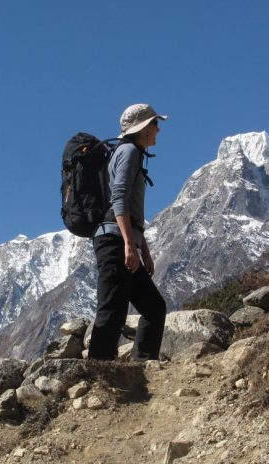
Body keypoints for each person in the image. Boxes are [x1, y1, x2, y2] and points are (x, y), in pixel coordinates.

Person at [88, 104, 168, 361]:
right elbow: (119, 197)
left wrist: (142, 248)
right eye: (155, 124)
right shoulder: (130, 152)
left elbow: (131, 210)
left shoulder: (128, 152)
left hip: (123, 239)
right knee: (112, 311)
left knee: (154, 308)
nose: (158, 129)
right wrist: (128, 245)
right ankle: (96, 377)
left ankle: (141, 368)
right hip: (114, 241)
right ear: (143, 128)